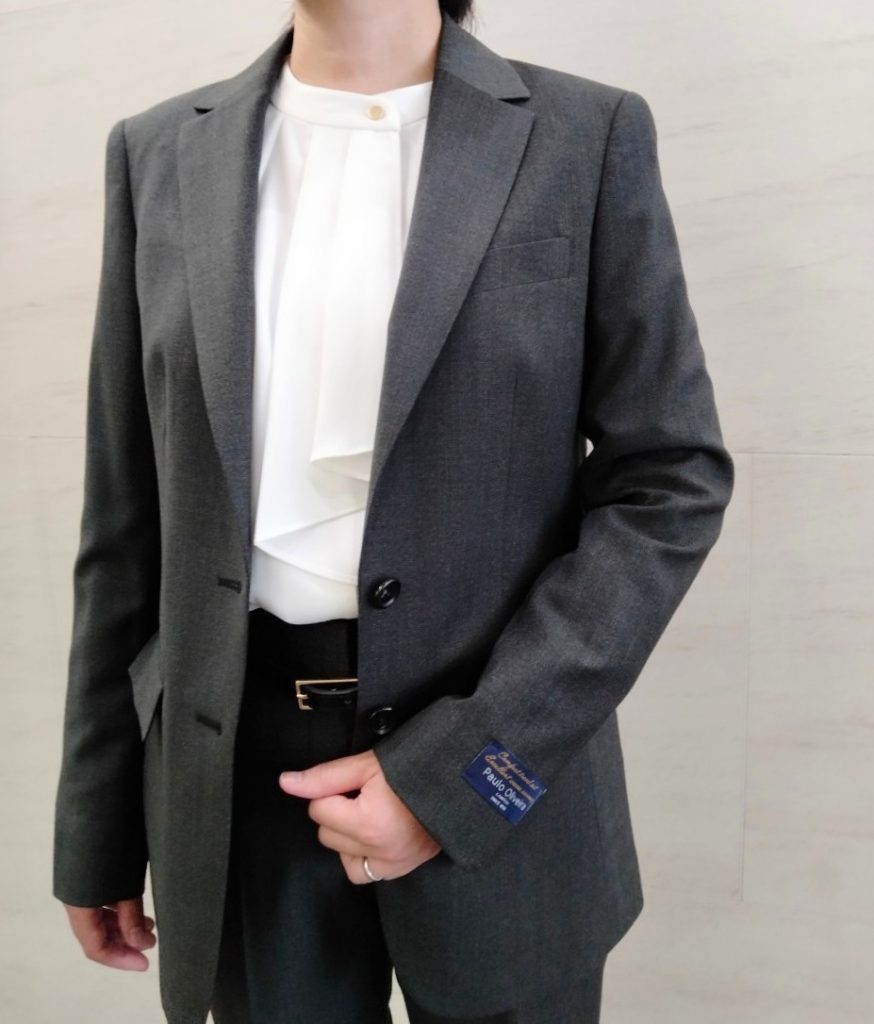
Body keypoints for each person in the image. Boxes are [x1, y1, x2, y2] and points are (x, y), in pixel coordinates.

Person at [52, 1, 735, 1022]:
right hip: (235, 787)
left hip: (503, 762)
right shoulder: (155, 151)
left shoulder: (583, 135)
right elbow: (125, 520)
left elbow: (668, 477)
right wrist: (98, 826)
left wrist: (460, 776)